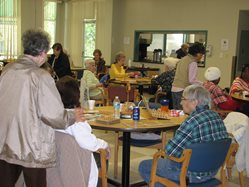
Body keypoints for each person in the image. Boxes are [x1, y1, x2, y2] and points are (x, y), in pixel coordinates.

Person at [0, 29, 83, 187]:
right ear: (43, 52)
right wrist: (73, 115)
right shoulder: (40, 76)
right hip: (31, 145)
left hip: (6, 141)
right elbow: (53, 115)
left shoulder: (7, 71)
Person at [139, 85, 228, 186]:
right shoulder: (216, 116)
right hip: (211, 171)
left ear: (194, 102)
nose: (181, 103)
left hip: (190, 174)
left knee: (144, 166)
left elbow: (170, 152)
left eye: (183, 99)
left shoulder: (191, 121)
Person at [55, 76, 110, 187]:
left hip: (57, 160)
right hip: (76, 160)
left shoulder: (53, 116)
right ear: (77, 94)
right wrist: (105, 145)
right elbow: (89, 142)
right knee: (103, 155)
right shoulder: (76, 120)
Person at [171, 42, 205, 109]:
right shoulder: (193, 63)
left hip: (174, 89)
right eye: (202, 55)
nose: (202, 57)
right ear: (197, 54)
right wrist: (203, 84)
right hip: (182, 90)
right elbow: (192, 80)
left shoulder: (183, 59)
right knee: (183, 113)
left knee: (177, 112)